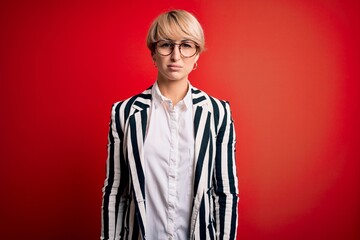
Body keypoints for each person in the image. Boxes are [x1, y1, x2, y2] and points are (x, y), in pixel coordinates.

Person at [101, 9, 239, 240]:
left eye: (186, 45)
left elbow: (225, 192)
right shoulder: (125, 112)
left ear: (197, 55)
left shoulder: (217, 113)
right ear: (154, 53)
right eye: (166, 45)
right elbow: (116, 191)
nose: (176, 55)